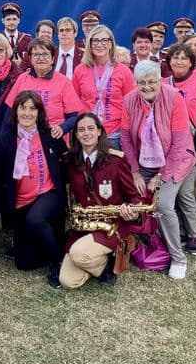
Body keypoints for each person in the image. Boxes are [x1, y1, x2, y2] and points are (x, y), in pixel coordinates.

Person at [0, 91, 69, 287]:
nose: (28, 113)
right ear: (16, 110)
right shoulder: (4, 141)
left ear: (39, 112)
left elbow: (68, 161)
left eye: (33, 108)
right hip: (22, 202)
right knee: (24, 263)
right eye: (23, 108)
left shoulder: (49, 134)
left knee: (35, 218)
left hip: (49, 194)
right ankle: (53, 245)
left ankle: (56, 264)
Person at [120, 60, 196, 279]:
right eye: (142, 83)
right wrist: (134, 171)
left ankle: (178, 258)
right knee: (128, 193)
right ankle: (132, 245)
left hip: (176, 160)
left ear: (160, 81)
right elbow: (125, 137)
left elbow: (180, 143)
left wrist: (161, 176)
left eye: (151, 81)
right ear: (135, 83)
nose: (147, 87)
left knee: (162, 204)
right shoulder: (129, 100)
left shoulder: (174, 98)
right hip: (144, 161)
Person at [60, 113, 144, 289]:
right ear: (75, 134)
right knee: (68, 282)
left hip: (112, 227)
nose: (86, 133)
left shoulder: (115, 161)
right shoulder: (70, 161)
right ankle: (101, 260)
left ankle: (111, 255)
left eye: (91, 128)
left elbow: (134, 196)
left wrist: (131, 210)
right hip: (85, 227)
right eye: (81, 130)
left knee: (78, 254)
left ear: (99, 131)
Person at [165, 43, 196, 254]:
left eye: (184, 58)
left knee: (184, 193)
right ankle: (181, 232)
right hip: (168, 149)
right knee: (172, 193)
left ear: (192, 62)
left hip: (189, 149)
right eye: (175, 58)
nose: (179, 62)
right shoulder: (164, 83)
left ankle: (194, 235)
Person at [4, 37, 81, 140]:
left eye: (45, 54)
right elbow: (9, 112)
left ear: (52, 58)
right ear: (30, 58)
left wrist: (62, 128)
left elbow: (74, 116)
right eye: (36, 54)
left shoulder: (64, 82)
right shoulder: (22, 78)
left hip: (53, 139)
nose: (41, 58)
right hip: (23, 139)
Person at [72, 25, 135, 149]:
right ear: (89, 44)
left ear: (111, 44)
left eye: (104, 40)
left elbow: (131, 105)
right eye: (95, 40)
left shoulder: (123, 71)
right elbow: (74, 102)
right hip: (86, 134)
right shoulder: (80, 70)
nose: (99, 44)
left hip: (113, 134)